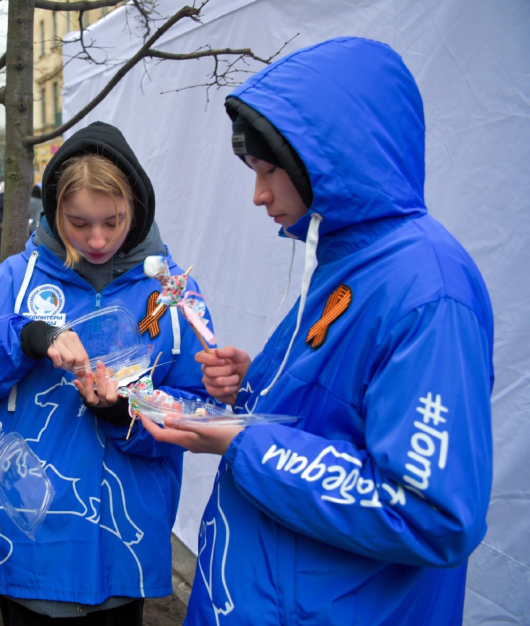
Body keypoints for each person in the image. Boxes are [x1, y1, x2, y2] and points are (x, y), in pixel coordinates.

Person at [139, 37, 494, 625]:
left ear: (334, 155)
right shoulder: (348, 261)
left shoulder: (429, 292)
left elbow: (428, 513)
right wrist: (255, 384)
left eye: (269, 170)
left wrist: (238, 439)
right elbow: (340, 411)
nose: (258, 195)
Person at [0, 121, 214, 625]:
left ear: (137, 209)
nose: (97, 239)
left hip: (125, 546)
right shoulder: (14, 280)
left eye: (113, 221)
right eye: (79, 223)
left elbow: (200, 410)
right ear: (55, 209)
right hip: (28, 541)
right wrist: (22, 337)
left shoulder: (173, 291)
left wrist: (125, 412)